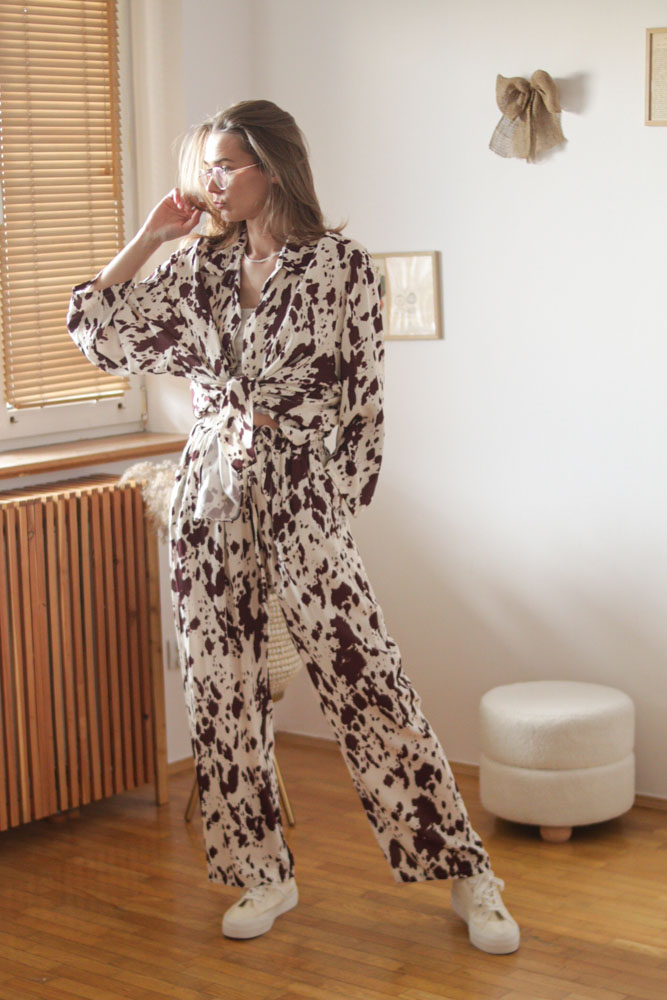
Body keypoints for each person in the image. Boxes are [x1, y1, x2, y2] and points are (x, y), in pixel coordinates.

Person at [67, 99, 520, 955]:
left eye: (225, 164)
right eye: (205, 165)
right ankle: (261, 870)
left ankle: (466, 870)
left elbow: (364, 404)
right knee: (221, 688)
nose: (210, 180)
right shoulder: (197, 268)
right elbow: (96, 330)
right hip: (210, 495)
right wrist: (152, 236)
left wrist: (325, 509)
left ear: (272, 166)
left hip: (301, 491)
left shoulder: (339, 267)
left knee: (368, 680)